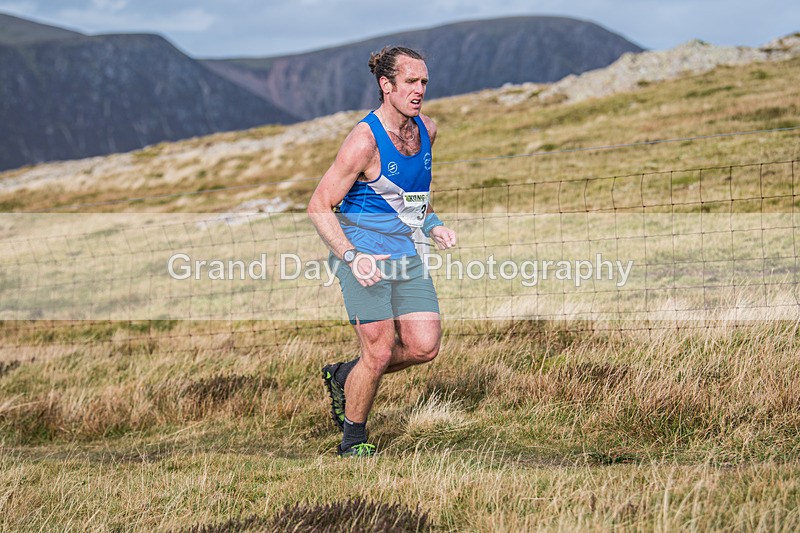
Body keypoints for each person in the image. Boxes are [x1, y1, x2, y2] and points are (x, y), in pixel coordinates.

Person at [307, 45, 457, 457]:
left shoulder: (427, 129)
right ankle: (352, 442)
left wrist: (433, 223)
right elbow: (319, 206)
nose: (420, 89)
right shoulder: (363, 141)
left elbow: (414, 197)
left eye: (424, 81)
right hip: (363, 259)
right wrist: (352, 257)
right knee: (378, 351)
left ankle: (343, 376)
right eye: (411, 81)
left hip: (407, 254)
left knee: (425, 346)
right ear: (385, 85)